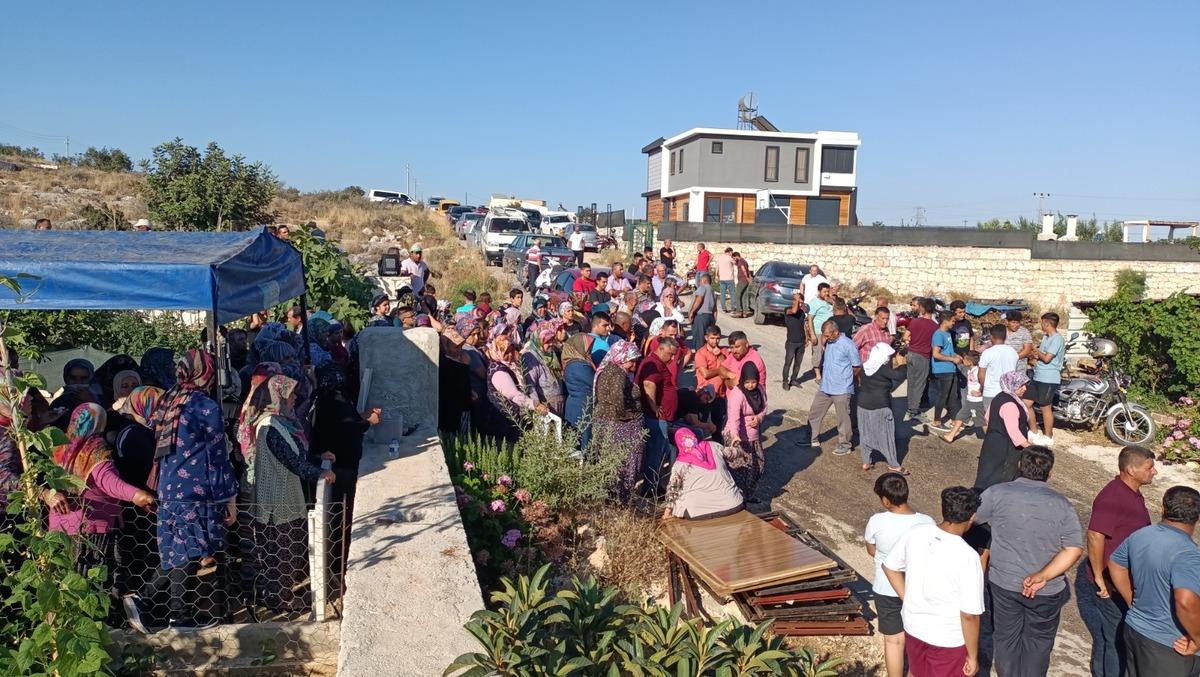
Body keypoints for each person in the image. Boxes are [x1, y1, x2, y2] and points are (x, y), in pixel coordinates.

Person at [975, 446, 1084, 677]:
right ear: (1050, 472)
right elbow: (1073, 549)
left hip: (1004, 583)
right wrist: (1043, 575)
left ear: (1019, 466)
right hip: (1047, 589)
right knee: (1039, 644)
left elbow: (972, 518)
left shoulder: (997, 493)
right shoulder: (1062, 505)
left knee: (1006, 639)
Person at [149, 350, 238, 629]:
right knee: (190, 550)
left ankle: (151, 603)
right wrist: (229, 497)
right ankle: (175, 613)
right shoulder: (204, 406)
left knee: (179, 549)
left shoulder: (169, 399)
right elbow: (217, 455)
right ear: (206, 373)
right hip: (195, 489)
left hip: (169, 487)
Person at [239, 374, 335, 613]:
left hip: (286, 499)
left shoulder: (280, 423)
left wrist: (317, 459)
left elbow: (296, 455)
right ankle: (277, 600)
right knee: (282, 554)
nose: (294, 399)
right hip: (276, 503)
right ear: (277, 397)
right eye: (290, 394)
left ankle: (280, 596)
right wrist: (319, 473)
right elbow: (290, 460)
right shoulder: (269, 427)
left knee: (289, 550)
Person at [882, 486, 985, 677]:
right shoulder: (968, 556)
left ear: (943, 508)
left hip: (913, 626)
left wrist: (908, 598)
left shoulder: (916, 532)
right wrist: (972, 656)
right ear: (972, 517)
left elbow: (889, 567)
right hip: (948, 639)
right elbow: (969, 615)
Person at [46, 404, 155, 572]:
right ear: (100, 423)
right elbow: (108, 481)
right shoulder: (95, 449)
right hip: (92, 528)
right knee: (92, 580)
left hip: (59, 528)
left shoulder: (58, 449)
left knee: (64, 579)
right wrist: (136, 495)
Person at [1108, 485, 1200, 677]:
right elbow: (1185, 600)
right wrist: (1197, 638)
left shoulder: (1142, 534)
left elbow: (1115, 564)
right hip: (1169, 645)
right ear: (1197, 516)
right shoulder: (1188, 553)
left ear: (1163, 508)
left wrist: (1132, 601)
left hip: (1135, 629)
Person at [1084, 445, 1156, 677]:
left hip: (1122, 578)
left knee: (1109, 637)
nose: (1154, 472)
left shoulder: (1131, 493)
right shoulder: (1114, 496)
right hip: (1112, 582)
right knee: (1116, 639)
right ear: (1131, 470)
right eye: (1149, 468)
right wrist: (1099, 576)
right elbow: (1095, 535)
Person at [865, 473, 936, 677]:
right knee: (916, 639)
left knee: (894, 641)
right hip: (918, 589)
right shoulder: (927, 522)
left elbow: (871, 550)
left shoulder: (877, 521)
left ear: (886, 500)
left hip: (886, 588)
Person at [591, 340, 645, 502]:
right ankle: (621, 497)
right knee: (624, 460)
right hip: (617, 424)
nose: (635, 364)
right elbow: (617, 397)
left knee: (610, 458)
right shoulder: (618, 373)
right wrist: (625, 415)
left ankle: (611, 497)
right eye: (632, 360)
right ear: (622, 358)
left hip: (606, 421)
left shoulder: (609, 369)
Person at [806, 319, 861, 456]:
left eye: (827, 335)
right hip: (825, 386)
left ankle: (845, 445)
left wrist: (846, 379)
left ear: (836, 332)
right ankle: (812, 438)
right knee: (815, 413)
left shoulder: (848, 345)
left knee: (843, 418)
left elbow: (856, 366)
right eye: (824, 335)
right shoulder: (829, 341)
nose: (825, 338)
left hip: (842, 389)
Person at [663, 428, 744, 520]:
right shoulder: (715, 446)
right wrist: (738, 448)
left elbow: (672, 490)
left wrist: (667, 513)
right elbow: (733, 453)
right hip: (733, 504)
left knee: (679, 497)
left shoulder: (679, 464)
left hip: (697, 512)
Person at [486, 326, 548, 443]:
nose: (510, 355)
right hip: (504, 419)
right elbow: (513, 395)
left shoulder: (511, 366)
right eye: (506, 352)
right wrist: (534, 405)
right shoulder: (498, 370)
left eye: (512, 350)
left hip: (514, 418)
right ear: (497, 352)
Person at [973, 370, 1031, 490]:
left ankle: (980, 496)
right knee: (1001, 478)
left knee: (986, 475)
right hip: (1006, 448)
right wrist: (1030, 447)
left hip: (992, 443)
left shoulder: (1000, 397)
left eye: (1025, 385)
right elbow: (1014, 432)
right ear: (1012, 384)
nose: (1025, 388)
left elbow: (987, 417)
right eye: (1021, 385)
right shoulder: (1010, 404)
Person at [638, 336, 679, 494]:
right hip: (655, 418)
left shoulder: (659, 363)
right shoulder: (654, 363)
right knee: (655, 453)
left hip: (659, 417)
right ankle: (649, 488)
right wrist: (654, 406)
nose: (672, 358)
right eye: (670, 354)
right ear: (661, 349)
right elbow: (649, 384)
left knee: (659, 452)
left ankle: (654, 485)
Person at [857, 343, 908, 473]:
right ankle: (893, 464)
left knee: (865, 433)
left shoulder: (865, 366)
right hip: (880, 405)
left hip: (862, 405)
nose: (889, 358)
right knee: (886, 435)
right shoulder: (882, 369)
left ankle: (866, 461)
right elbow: (899, 376)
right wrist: (902, 364)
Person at [724, 362, 767, 502]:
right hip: (738, 437)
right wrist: (735, 435)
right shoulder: (737, 394)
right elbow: (733, 417)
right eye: (747, 382)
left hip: (753, 435)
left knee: (757, 467)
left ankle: (748, 495)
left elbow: (764, 407)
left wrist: (759, 418)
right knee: (740, 468)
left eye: (753, 382)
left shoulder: (760, 389)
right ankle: (735, 498)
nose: (750, 385)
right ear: (742, 380)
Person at [1027, 312, 1066, 440]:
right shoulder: (1045, 338)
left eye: (1042, 322)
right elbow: (1041, 356)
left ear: (1047, 323)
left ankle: (1048, 436)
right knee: (1026, 402)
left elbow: (1047, 358)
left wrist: (1036, 350)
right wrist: (1034, 354)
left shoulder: (1057, 339)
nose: (1041, 325)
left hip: (1049, 378)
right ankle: (1033, 431)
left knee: (1045, 406)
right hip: (1038, 375)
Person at [904, 298, 938, 423]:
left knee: (911, 383)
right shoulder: (935, 326)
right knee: (919, 385)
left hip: (911, 354)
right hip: (923, 356)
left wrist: (911, 343)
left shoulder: (915, 321)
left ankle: (910, 408)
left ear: (922, 308)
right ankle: (913, 411)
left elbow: (905, 336)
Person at [521, 319, 565, 416]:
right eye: (547, 341)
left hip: (558, 405)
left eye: (552, 339)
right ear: (539, 340)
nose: (551, 343)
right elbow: (530, 385)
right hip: (545, 408)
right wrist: (538, 405)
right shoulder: (531, 356)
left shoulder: (551, 354)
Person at [929, 311, 963, 433]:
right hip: (942, 369)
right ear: (945, 321)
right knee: (942, 395)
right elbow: (936, 354)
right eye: (952, 321)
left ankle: (954, 419)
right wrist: (952, 359)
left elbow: (949, 351)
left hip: (951, 368)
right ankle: (937, 421)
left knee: (953, 396)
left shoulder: (947, 333)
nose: (954, 323)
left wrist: (957, 356)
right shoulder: (938, 334)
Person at [940, 351, 982, 443]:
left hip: (976, 402)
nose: (963, 361)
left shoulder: (978, 371)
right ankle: (950, 436)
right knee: (960, 416)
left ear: (969, 362)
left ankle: (992, 438)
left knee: (981, 423)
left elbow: (984, 382)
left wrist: (980, 392)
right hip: (970, 400)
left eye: (965, 359)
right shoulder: (970, 370)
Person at [560, 332, 596, 438]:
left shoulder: (577, 362)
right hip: (581, 408)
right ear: (579, 346)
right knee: (583, 439)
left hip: (579, 406)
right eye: (588, 347)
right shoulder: (578, 365)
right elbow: (595, 382)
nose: (590, 350)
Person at [977, 324, 1018, 414]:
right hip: (1008, 392)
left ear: (991, 337)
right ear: (1005, 336)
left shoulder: (987, 353)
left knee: (990, 418)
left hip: (991, 392)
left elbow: (981, 376)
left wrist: (984, 387)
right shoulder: (1013, 352)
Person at [722, 331, 767, 398]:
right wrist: (729, 374)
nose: (734, 351)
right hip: (733, 400)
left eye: (737, 347)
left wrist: (726, 381)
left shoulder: (753, 361)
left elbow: (733, 384)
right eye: (731, 347)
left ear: (746, 344)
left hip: (749, 401)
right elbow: (721, 369)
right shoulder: (735, 355)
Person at [808, 283, 834, 382]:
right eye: (824, 291)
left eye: (828, 291)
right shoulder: (814, 302)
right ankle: (818, 375)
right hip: (818, 331)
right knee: (818, 352)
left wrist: (831, 301)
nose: (826, 293)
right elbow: (810, 319)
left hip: (830, 332)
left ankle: (825, 371)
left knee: (829, 353)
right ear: (819, 291)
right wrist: (812, 334)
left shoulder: (830, 301)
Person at [782, 291, 808, 391]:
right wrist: (797, 299)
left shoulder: (802, 313)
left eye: (802, 302)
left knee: (798, 364)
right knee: (788, 363)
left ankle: (793, 380)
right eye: (799, 302)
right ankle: (785, 381)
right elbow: (793, 311)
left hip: (801, 342)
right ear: (794, 301)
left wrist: (806, 338)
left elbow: (803, 325)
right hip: (791, 343)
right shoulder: (787, 310)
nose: (800, 304)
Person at [687, 271, 717, 351]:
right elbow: (715, 309)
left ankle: (699, 355)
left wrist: (692, 311)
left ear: (703, 280)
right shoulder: (713, 291)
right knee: (707, 339)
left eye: (699, 281)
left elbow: (699, 299)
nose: (699, 283)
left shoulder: (702, 287)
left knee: (699, 339)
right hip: (710, 317)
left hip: (701, 317)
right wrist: (714, 320)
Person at [732, 251, 753, 318]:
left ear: (736, 256)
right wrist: (749, 279)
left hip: (742, 280)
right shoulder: (744, 261)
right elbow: (747, 270)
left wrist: (747, 278)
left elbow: (744, 270)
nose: (734, 259)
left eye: (734, 258)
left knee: (737, 295)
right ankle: (745, 312)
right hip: (745, 281)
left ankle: (739, 311)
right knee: (744, 296)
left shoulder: (741, 261)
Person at [715, 248, 736, 313]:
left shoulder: (720, 258)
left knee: (722, 294)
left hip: (722, 279)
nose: (732, 254)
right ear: (729, 252)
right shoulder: (730, 258)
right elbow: (735, 263)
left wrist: (716, 275)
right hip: (730, 279)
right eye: (731, 252)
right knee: (732, 294)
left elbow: (717, 267)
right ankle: (733, 308)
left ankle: (724, 308)